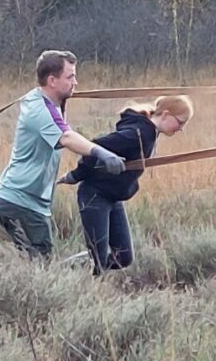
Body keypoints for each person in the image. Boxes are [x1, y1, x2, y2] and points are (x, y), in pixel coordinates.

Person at [0, 49, 126, 257]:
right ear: (52, 80)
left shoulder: (51, 104)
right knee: (39, 263)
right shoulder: (40, 109)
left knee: (38, 260)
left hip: (30, 201)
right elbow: (66, 137)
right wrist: (102, 153)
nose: (76, 82)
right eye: (70, 77)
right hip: (21, 201)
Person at [64, 93, 191, 272]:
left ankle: (78, 267)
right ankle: (73, 275)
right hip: (95, 194)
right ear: (165, 115)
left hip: (114, 198)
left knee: (123, 257)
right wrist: (77, 175)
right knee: (99, 259)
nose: (180, 129)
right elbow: (94, 147)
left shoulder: (150, 133)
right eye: (180, 122)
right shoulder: (137, 134)